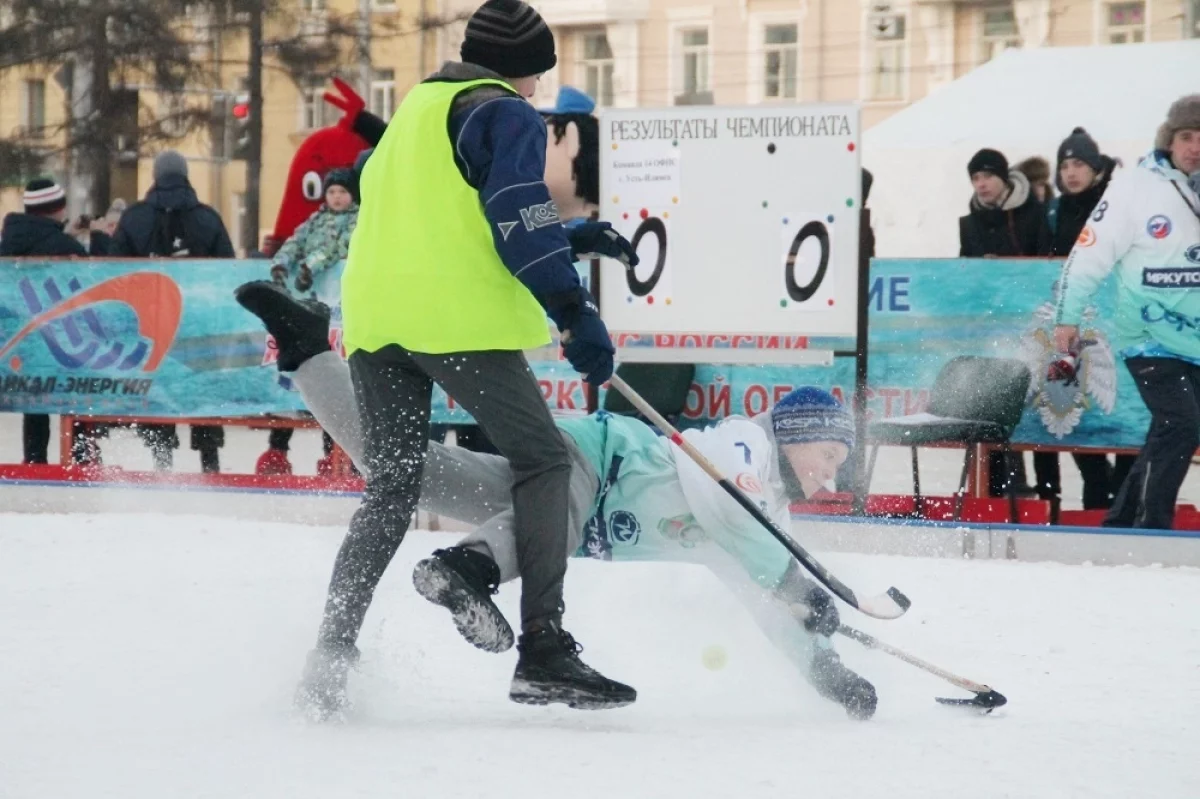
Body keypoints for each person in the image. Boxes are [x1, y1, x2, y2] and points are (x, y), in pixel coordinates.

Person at [237, 286, 878, 719]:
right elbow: (726, 505)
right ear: (795, 438)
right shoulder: (746, 448)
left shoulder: (771, 529)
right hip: (587, 464)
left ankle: (306, 351)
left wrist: (824, 669)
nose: (829, 478)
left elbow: (758, 590)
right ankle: (469, 567)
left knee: (410, 471)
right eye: (828, 458)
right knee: (554, 525)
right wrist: (798, 583)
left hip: (574, 510)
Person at [295, 0, 636, 719]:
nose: (539, 91)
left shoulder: (419, 110)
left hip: (377, 321)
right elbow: (517, 215)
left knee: (390, 486)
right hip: (450, 321)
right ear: (527, 69)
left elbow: (457, 210)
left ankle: (330, 653)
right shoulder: (506, 112)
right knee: (545, 460)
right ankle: (544, 646)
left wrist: (571, 237)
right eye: (538, 75)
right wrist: (576, 312)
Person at [1054, 94, 1200, 529]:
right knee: (1182, 424)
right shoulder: (1135, 187)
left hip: (1194, 339)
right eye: (1186, 136)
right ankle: (1152, 524)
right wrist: (1067, 316)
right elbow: (1090, 255)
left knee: (1168, 429)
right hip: (1148, 336)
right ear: (1169, 141)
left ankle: (1120, 521)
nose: (1194, 146)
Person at [110, 150, 235, 473]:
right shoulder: (207, 217)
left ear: (155, 176)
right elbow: (227, 269)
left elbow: (114, 270)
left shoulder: (135, 217)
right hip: (199, 320)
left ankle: (161, 462)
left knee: (160, 385)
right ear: (185, 175)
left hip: (151, 321)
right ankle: (210, 461)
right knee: (202, 388)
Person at [1035, 128, 1133, 510]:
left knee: (1124, 417)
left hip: (1116, 325)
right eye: (1065, 165)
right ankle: (1098, 500)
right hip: (1069, 327)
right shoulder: (1056, 211)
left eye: (1079, 164)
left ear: (1096, 168)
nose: (1071, 172)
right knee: (1077, 413)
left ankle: (1120, 501)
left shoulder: (1116, 203)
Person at [255, 168, 359, 476]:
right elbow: (294, 242)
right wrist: (281, 265)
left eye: (342, 192)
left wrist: (312, 265)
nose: (337, 197)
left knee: (332, 379)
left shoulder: (359, 219)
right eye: (332, 192)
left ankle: (335, 454)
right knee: (296, 376)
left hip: (340, 308)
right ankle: (277, 448)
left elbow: (340, 248)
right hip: (309, 304)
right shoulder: (315, 220)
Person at [959, 148, 1051, 498]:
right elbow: (964, 273)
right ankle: (998, 489)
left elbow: (1046, 263)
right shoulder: (970, 222)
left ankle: (1044, 492)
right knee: (993, 403)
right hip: (989, 327)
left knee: (1035, 407)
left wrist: (1011, 270)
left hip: (1030, 325)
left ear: (1003, 178)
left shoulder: (1033, 214)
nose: (981, 185)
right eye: (975, 179)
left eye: (986, 177)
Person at [0, 177, 103, 466]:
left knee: (34, 402)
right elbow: (95, 282)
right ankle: (82, 460)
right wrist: (96, 237)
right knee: (77, 396)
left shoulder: (9, 241)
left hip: (21, 337)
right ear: (57, 208)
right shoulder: (65, 245)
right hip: (64, 336)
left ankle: (35, 460)